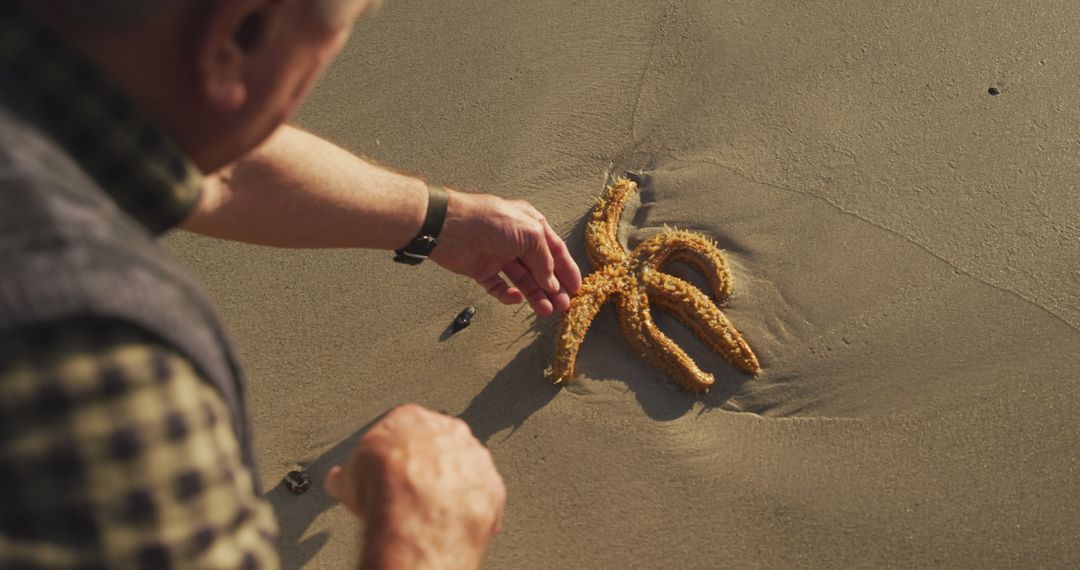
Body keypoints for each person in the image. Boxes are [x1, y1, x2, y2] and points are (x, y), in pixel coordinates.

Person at [0, 0, 582, 568]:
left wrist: (441, 221)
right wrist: (428, 527)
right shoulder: (97, 363)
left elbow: (202, 161)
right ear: (240, 30)